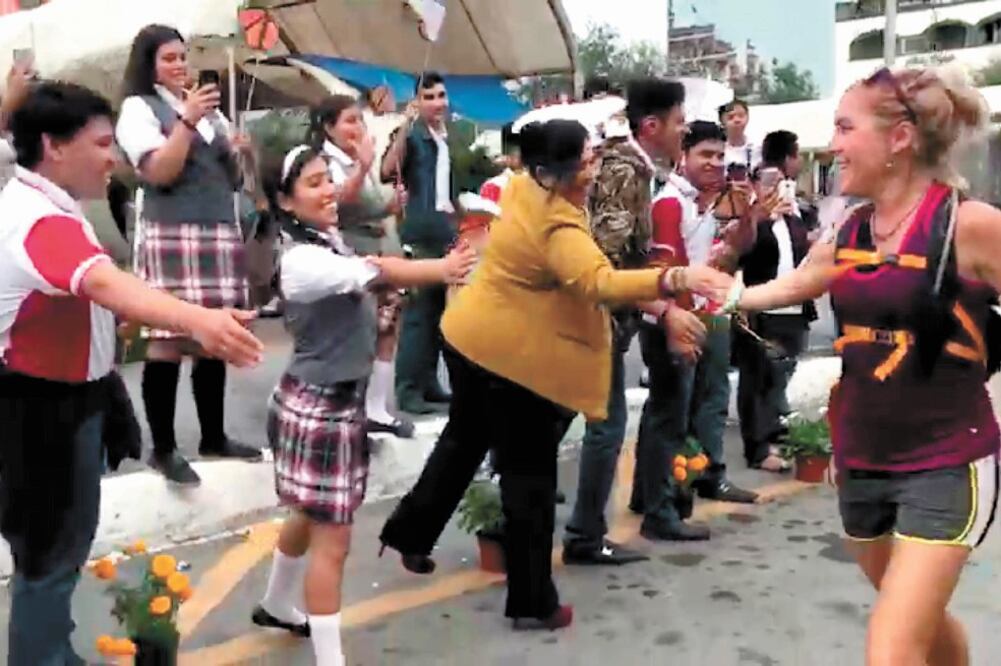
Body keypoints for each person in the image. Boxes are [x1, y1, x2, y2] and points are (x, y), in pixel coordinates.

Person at [379, 119, 730, 629]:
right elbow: (598, 281)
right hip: (511, 363)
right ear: (553, 170)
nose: (593, 167)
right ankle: (531, 601)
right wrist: (676, 277)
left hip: (471, 338)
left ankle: (408, 535)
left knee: (462, 442)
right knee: (531, 483)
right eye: (585, 160)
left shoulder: (521, 188)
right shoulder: (558, 224)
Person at [717, 66, 998, 666]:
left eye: (845, 128)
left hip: (947, 461)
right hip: (863, 457)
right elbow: (803, 280)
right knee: (919, 625)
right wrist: (725, 295)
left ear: (899, 139)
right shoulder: (851, 227)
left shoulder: (969, 225)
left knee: (890, 651)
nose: (834, 145)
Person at [0, 81, 263, 666]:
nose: (112, 158)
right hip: (42, 410)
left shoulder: (50, 206)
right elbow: (104, 283)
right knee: (48, 558)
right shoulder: (37, 219)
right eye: (100, 144)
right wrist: (197, 320)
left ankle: (50, 653)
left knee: (54, 554)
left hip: (70, 397)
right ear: (54, 146)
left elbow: (102, 292)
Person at [250, 145, 472, 663]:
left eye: (328, 178)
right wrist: (445, 267)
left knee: (308, 516)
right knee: (334, 543)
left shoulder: (322, 239)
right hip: (318, 408)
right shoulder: (302, 257)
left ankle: (277, 603)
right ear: (285, 199)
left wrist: (378, 318)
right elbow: (377, 270)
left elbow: (365, 287)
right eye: (313, 183)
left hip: (326, 402)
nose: (328, 190)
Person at [116, 24, 260, 485]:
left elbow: (232, 180)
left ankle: (214, 435)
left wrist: (240, 153)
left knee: (213, 333)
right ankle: (163, 447)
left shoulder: (207, 112)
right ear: (148, 64)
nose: (180, 66)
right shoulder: (139, 109)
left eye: (183, 57)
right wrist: (188, 121)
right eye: (169, 59)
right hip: (171, 230)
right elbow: (159, 171)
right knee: (169, 337)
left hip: (216, 229)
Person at [562, 78, 689, 566]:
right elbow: (606, 259)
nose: (684, 132)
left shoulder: (630, 166)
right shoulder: (625, 171)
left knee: (573, 423)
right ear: (652, 126)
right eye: (679, 123)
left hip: (601, 318)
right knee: (606, 427)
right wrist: (658, 301)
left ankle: (549, 527)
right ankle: (584, 535)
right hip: (596, 320)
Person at [630, 121, 766, 541]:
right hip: (675, 318)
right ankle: (660, 509)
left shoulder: (707, 202)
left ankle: (654, 495)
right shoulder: (671, 203)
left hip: (698, 312)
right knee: (670, 416)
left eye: (719, 156)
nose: (714, 163)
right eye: (705, 155)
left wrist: (749, 216)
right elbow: (666, 273)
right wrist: (682, 326)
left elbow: (731, 252)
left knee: (681, 409)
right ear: (682, 156)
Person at [310, 96, 412, 438]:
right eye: (350, 121)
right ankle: (351, 410)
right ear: (328, 127)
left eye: (360, 121)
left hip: (376, 252)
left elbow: (368, 206)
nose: (358, 128)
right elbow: (341, 202)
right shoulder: (325, 162)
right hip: (350, 257)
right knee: (360, 333)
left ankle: (377, 408)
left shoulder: (354, 158)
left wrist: (390, 205)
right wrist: (365, 167)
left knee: (386, 327)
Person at [735, 131, 818, 473]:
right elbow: (741, 254)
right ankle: (757, 448)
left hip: (794, 310)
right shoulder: (752, 223)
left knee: (780, 375)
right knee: (757, 380)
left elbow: (808, 252)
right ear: (754, 186)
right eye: (768, 182)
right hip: (761, 310)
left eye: (781, 182)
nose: (776, 188)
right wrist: (758, 216)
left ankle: (775, 435)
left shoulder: (795, 220)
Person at [381, 71, 456, 415]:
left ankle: (429, 383)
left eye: (441, 96)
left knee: (439, 316)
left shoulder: (443, 135)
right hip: (420, 230)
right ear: (417, 101)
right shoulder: (410, 133)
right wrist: (404, 128)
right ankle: (408, 389)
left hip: (444, 230)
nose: (437, 103)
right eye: (429, 97)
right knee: (417, 316)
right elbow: (387, 169)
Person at [719, 99, 761, 178]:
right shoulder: (718, 150)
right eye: (731, 117)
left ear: (747, 117)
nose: (737, 120)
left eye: (741, 116)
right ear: (722, 121)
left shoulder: (758, 147)